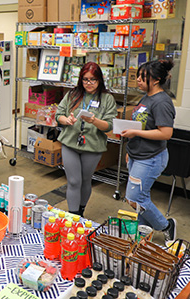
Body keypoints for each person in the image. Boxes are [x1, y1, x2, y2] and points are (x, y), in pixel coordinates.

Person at [121, 60, 177, 242]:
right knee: (141, 197)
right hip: (138, 156)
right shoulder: (146, 97)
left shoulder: (162, 102)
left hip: (151, 158)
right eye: (138, 76)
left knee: (134, 198)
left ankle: (166, 225)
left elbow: (166, 133)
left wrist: (135, 132)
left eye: (142, 76)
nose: (137, 80)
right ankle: (143, 233)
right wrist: (132, 147)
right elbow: (143, 123)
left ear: (156, 80)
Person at [56, 62, 117, 217]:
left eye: (93, 80)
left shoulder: (107, 98)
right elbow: (58, 115)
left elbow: (109, 126)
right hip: (70, 142)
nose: (89, 83)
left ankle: (81, 212)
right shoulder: (73, 95)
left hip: (93, 146)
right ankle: (73, 215)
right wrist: (67, 120)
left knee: (85, 180)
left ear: (99, 80)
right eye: (85, 80)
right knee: (74, 181)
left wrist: (94, 121)